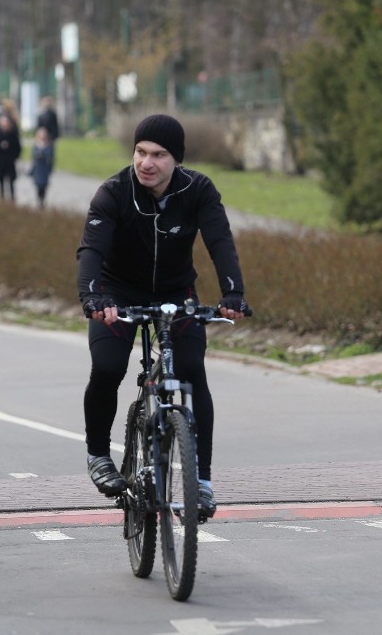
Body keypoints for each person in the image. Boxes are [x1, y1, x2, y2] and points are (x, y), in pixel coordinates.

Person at [76, 114, 249, 518]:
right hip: (116, 293)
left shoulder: (198, 190)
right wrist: (94, 297)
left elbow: (220, 241)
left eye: (158, 154)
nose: (146, 163)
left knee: (191, 371)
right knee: (107, 367)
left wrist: (233, 293)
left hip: (175, 292)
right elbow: (91, 252)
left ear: (177, 160)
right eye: (140, 152)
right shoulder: (113, 193)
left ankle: (202, 483)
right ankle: (99, 455)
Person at [0, 114, 21, 202]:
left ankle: (12, 198)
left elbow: (17, 148)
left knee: (11, 181)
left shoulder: (13, 134)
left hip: (10, 161)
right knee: (1, 181)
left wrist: (11, 150)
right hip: (0, 161)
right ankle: (2, 197)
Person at [30, 127, 54, 209]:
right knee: (38, 186)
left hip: (44, 169)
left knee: (44, 186)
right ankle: (38, 201)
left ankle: (42, 201)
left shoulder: (49, 145)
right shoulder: (36, 145)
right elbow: (34, 156)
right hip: (38, 169)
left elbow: (50, 156)